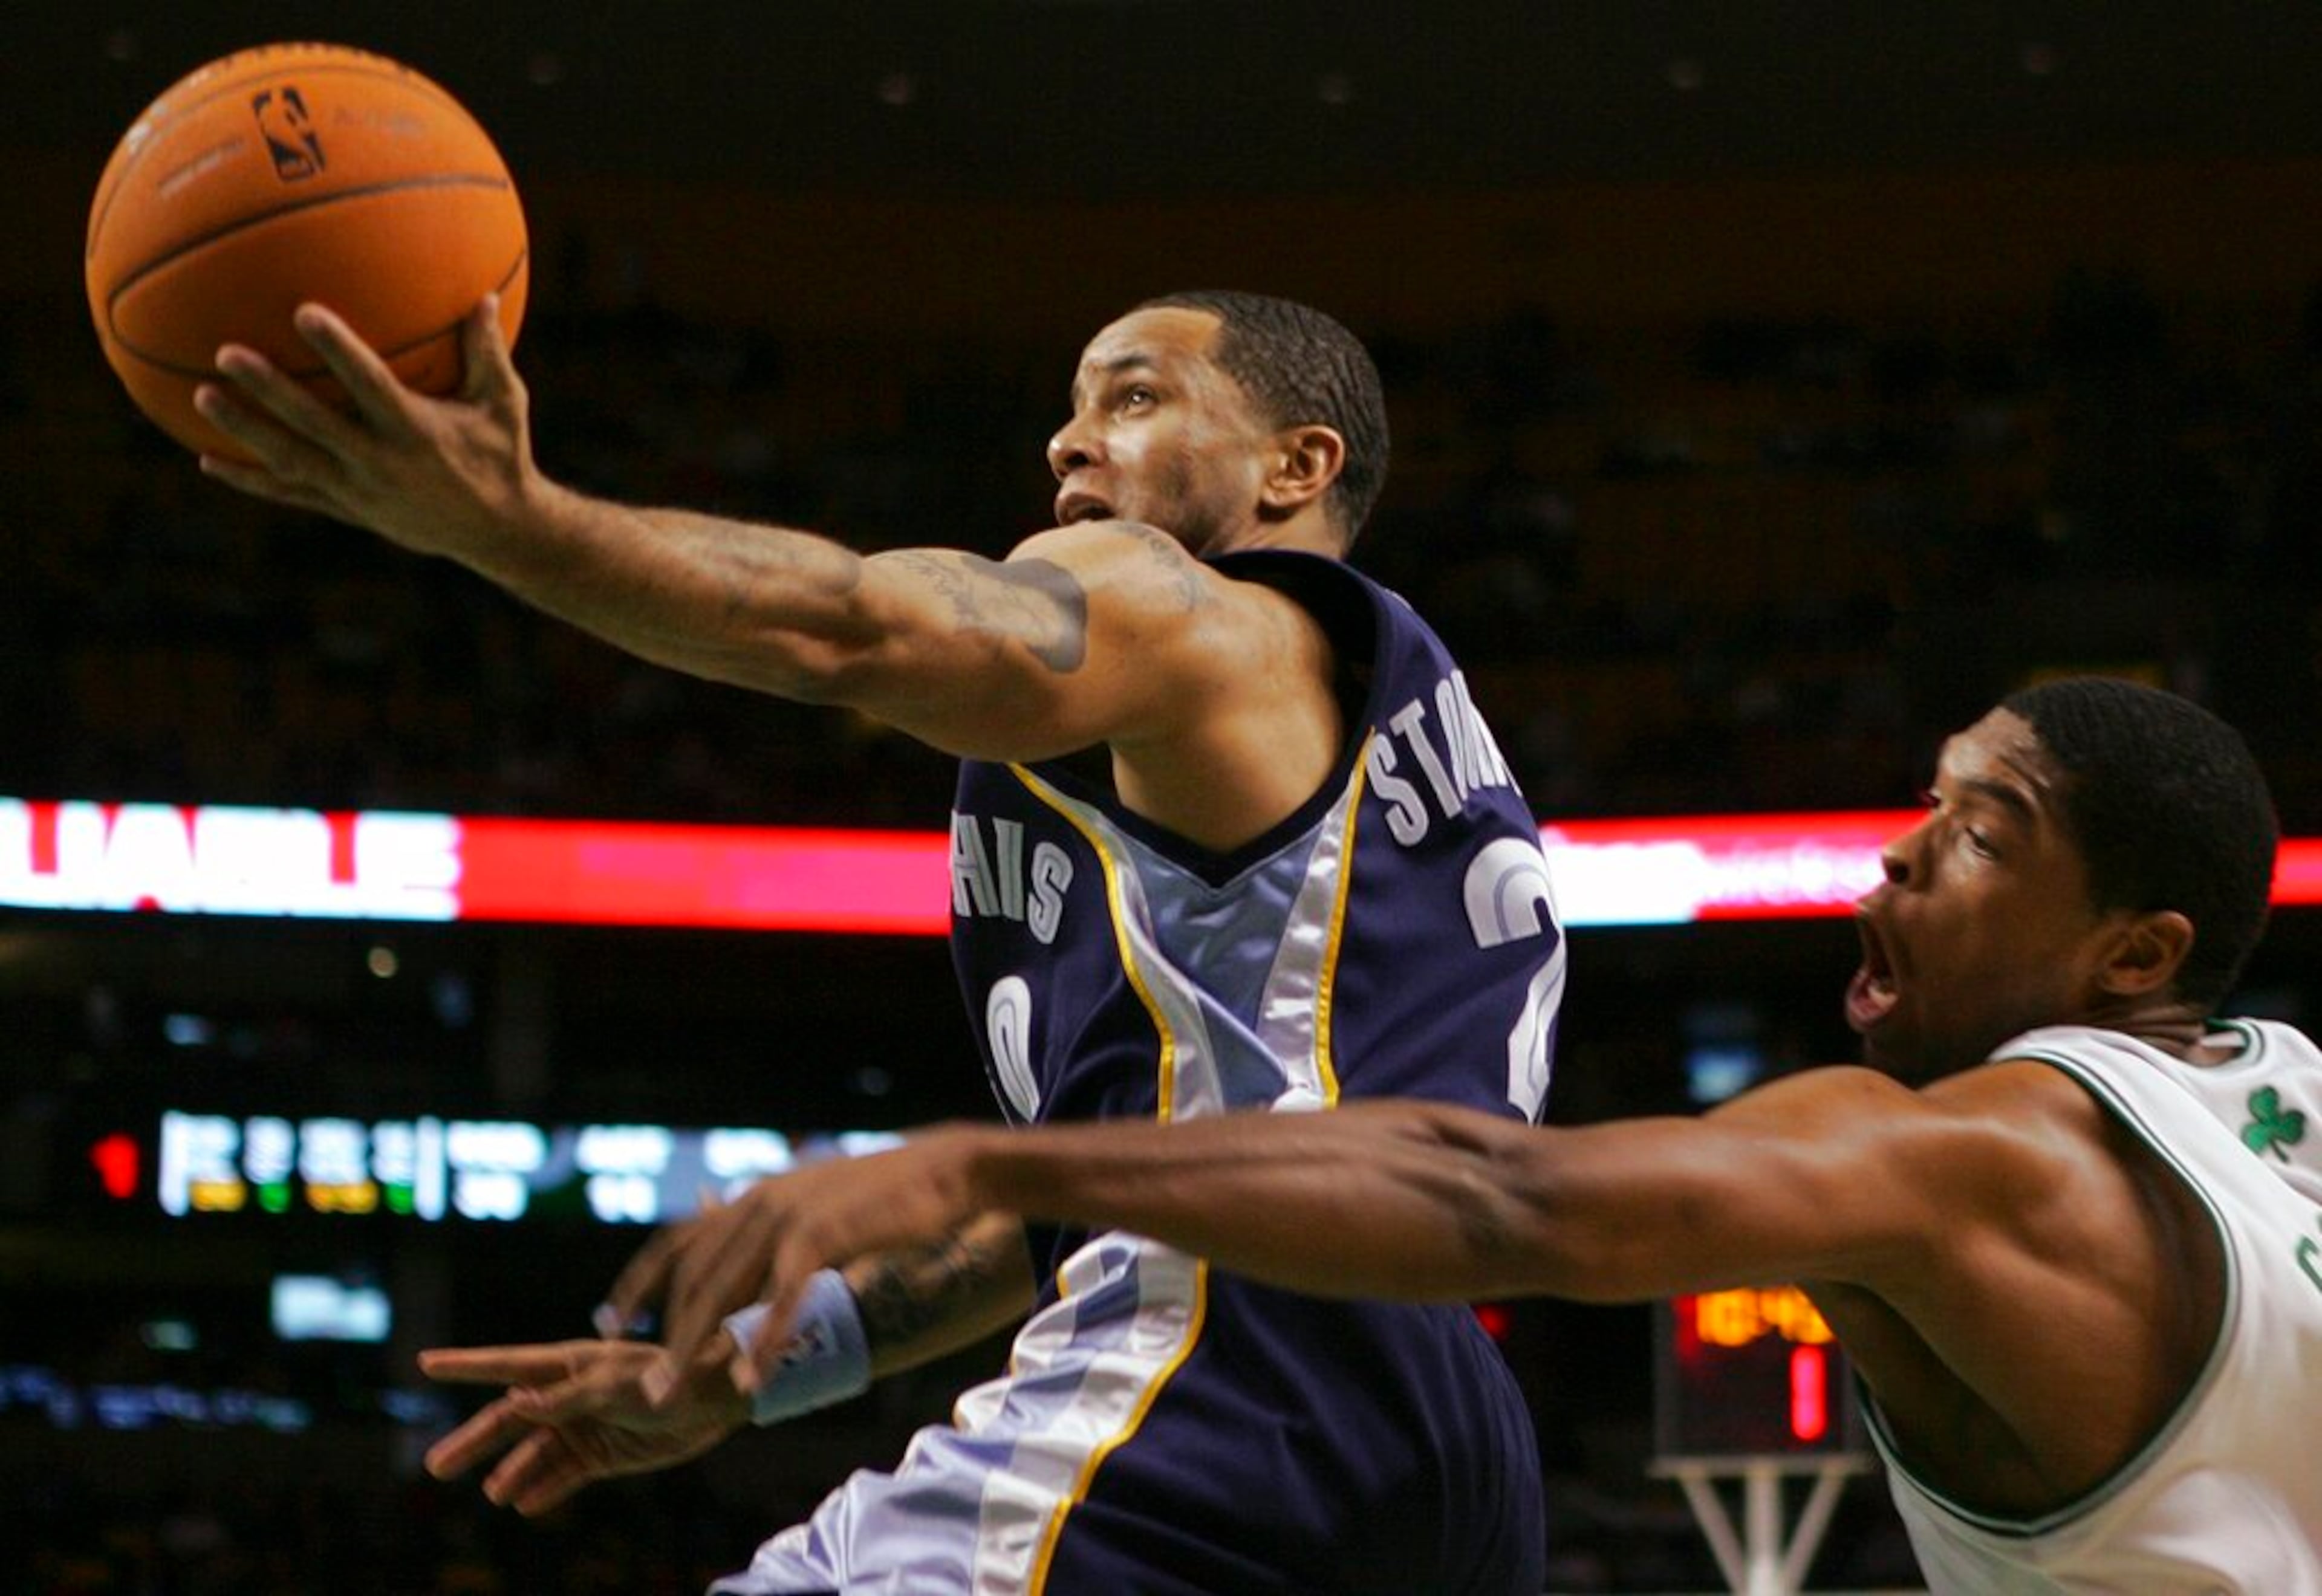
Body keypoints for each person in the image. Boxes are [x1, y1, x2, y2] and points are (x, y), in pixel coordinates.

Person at [198, 291, 1563, 1593]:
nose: (1070, 441)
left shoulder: (1197, 615)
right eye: (1074, 408)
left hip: (1224, 1374)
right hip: (1442, 1446)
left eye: (1136, 399)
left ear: (1296, 467)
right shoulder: (1394, 738)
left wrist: (510, 520)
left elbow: (846, 626)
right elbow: (1093, 1202)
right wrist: (743, 1372)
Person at [528, 676, 2322, 1594]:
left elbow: (1504, 1200)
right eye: (1925, 802)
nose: (1900, 853)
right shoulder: (2292, 1099)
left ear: (2137, 954)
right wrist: (795, 1355)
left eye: (1984, 832)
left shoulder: (1982, 1155)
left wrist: (995, 1156)